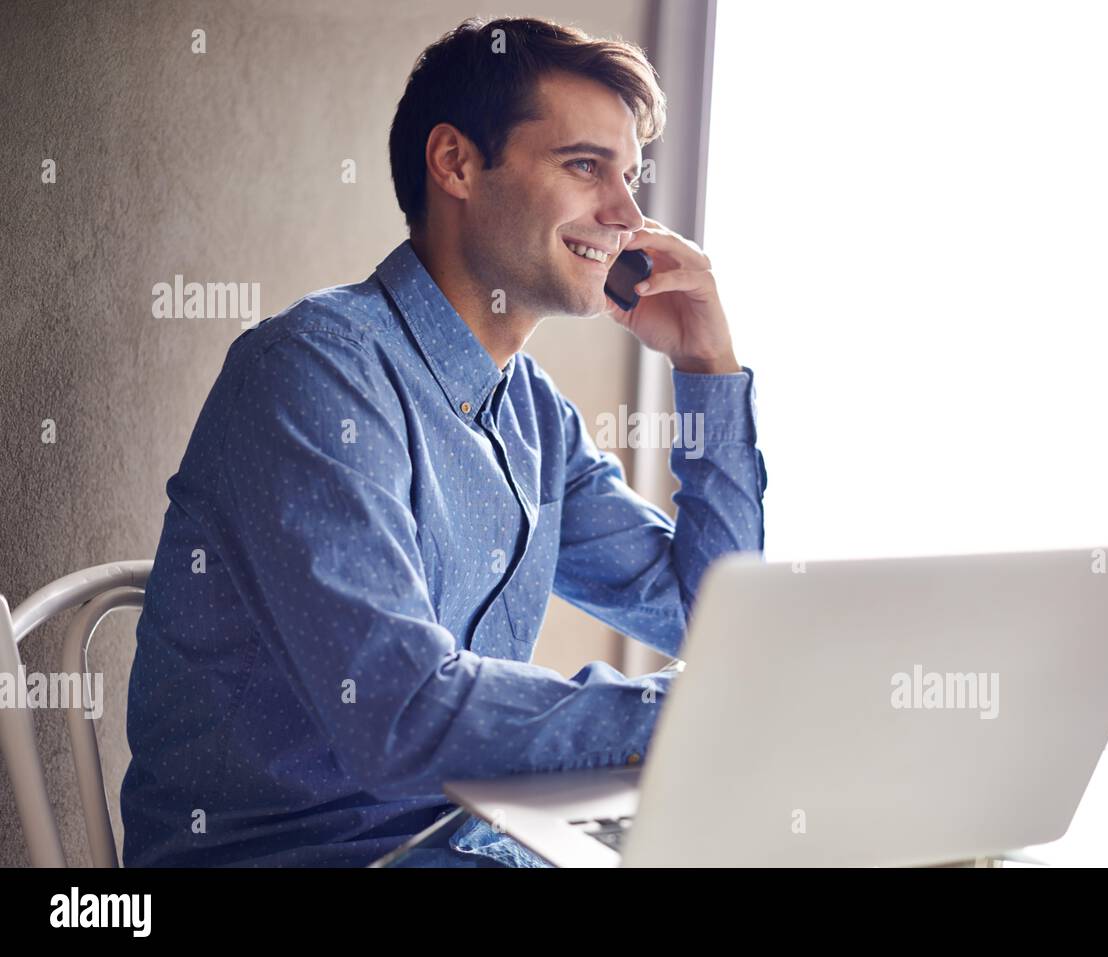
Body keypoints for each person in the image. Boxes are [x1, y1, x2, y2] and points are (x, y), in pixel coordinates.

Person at [121, 15, 766, 868]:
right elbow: (399, 713)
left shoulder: (533, 413)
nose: (627, 214)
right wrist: (686, 715)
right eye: (585, 166)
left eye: (631, 175)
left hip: (471, 842)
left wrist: (708, 370)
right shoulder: (312, 372)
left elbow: (709, 618)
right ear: (456, 162)